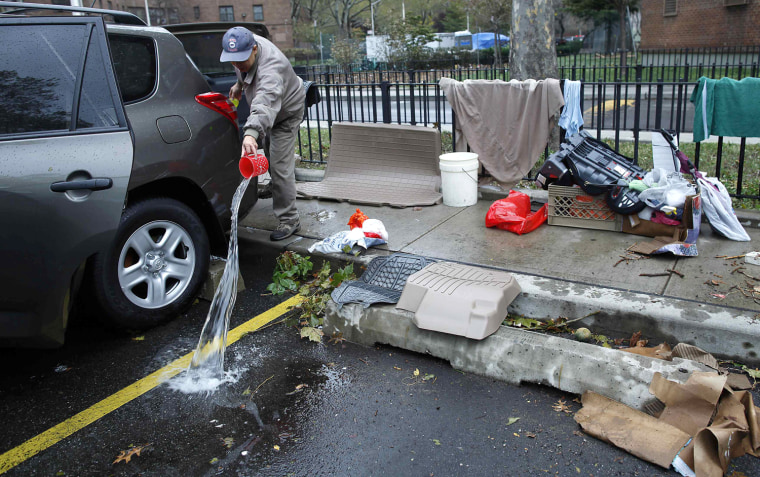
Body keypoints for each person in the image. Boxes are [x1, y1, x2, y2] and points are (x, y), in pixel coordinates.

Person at [220, 26, 305, 241]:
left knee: (279, 164)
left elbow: (265, 102)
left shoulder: (272, 68)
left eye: (242, 60)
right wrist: (239, 83)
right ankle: (277, 188)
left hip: (287, 112)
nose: (237, 65)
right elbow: (244, 69)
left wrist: (250, 133)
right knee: (268, 152)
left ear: (255, 49)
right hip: (269, 112)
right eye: (233, 61)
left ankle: (290, 219)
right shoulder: (242, 45)